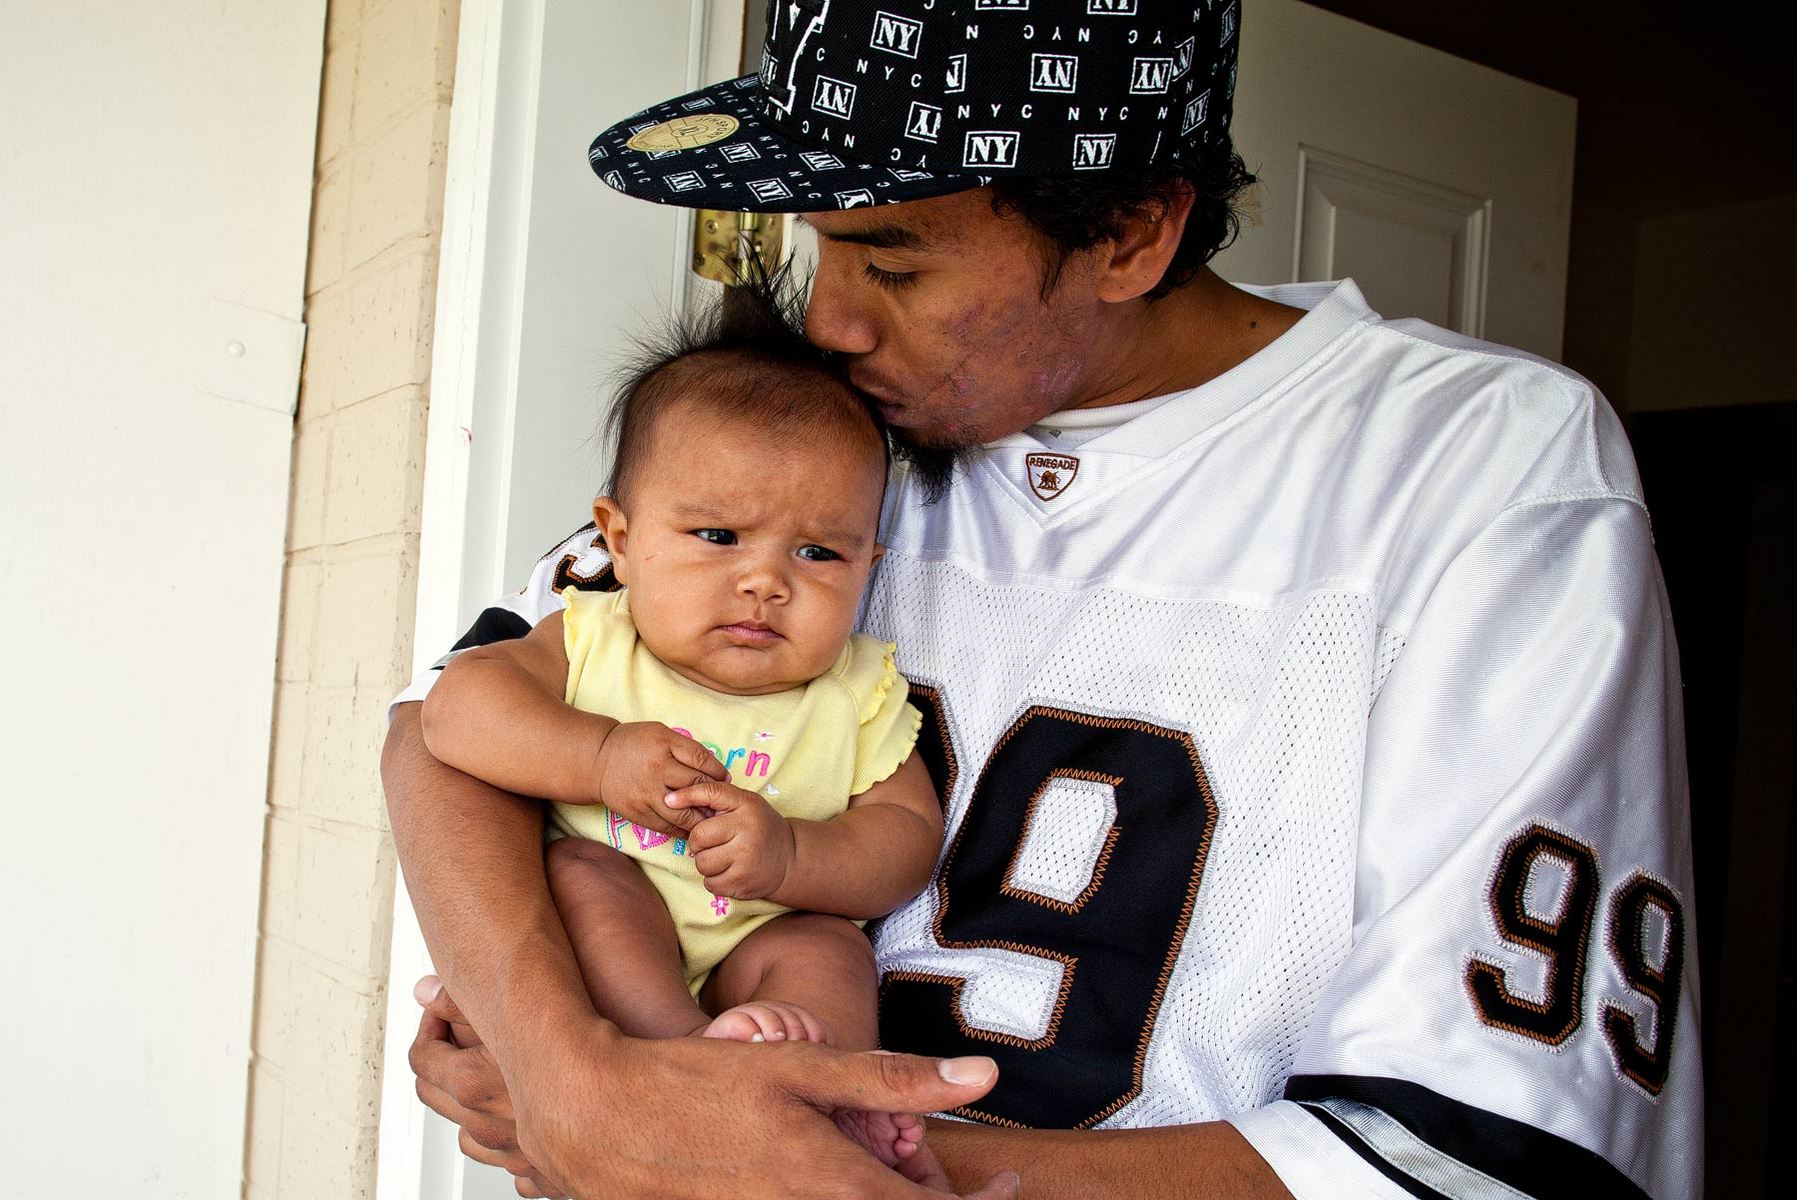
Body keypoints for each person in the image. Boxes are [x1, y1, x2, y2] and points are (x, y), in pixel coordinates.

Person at [386, 3, 1702, 1197]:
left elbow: (1473, 1148)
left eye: (892, 264)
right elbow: (443, 730)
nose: (832, 319)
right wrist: (573, 1076)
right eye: (817, 250)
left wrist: (753, 1151)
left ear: (1131, 231)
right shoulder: (824, 443)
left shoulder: (1477, 459)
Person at [416, 283, 943, 1167]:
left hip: (762, 928)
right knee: (582, 874)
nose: (765, 581)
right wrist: (597, 756)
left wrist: (793, 859)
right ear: (617, 540)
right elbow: (454, 710)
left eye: (819, 553)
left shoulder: (856, 685)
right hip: (618, 924)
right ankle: (684, 1062)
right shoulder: (590, 636)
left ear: (870, 564)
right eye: (716, 534)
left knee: (827, 949)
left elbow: (905, 835)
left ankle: (824, 1094)